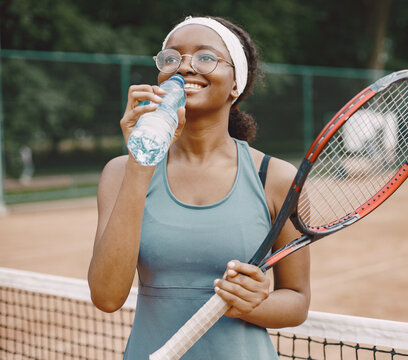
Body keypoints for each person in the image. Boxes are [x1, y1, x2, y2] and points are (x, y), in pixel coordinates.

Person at [88, 16, 310, 359]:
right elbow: (106, 297)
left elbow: (296, 301)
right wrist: (140, 162)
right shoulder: (120, 172)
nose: (186, 67)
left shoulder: (276, 178)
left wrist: (251, 304)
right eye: (172, 58)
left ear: (236, 84)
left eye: (205, 57)